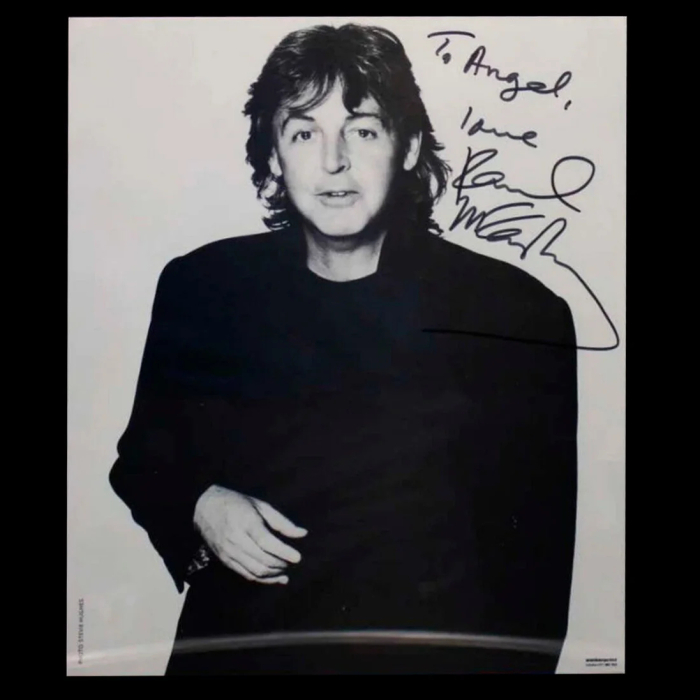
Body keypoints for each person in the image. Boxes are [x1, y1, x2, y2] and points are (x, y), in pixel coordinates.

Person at [110, 23, 578, 674]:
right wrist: (199, 504)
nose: (333, 162)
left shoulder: (516, 313)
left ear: (408, 147)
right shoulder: (202, 287)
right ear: (273, 156)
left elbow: (536, 582)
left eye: (362, 130)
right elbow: (142, 460)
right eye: (303, 133)